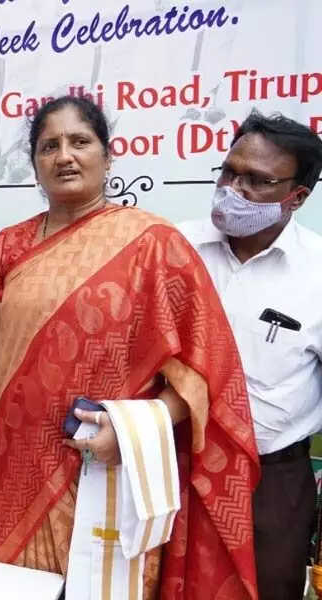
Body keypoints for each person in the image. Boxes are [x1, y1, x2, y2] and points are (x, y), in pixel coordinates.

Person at [0, 96, 260, 599]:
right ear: (34, 166)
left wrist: (133, 431)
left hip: (112, 467)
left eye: (80, 142)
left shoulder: (156, 246)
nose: (64, 155)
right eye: (49, 146)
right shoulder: (5, 250)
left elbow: (202, 375)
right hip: (16, 470)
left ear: (108, 156)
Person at [178, 111, 322, 600]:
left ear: (296, 197)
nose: (233, 189)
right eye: (229, 171)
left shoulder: (317, 275)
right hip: (173, 467)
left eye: (258, 181)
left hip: (271, 482)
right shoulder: (176, 248)